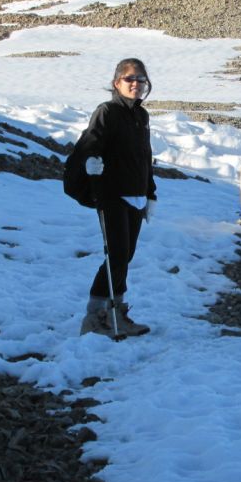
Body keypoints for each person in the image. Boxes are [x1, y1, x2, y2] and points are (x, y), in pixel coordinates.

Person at [74, 58, 157, 337]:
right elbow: (90, 142)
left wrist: (150, 193)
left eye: (141, 79)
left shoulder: (141, 116)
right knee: (117, 254)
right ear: (116, 83)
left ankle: (115, 314)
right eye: (130, 79)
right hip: (111, 193)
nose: (136, 84)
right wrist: (89, 163)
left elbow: (145, 157)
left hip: (136, 196)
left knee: (125, 255)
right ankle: (95, 318)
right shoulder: (106, 111)